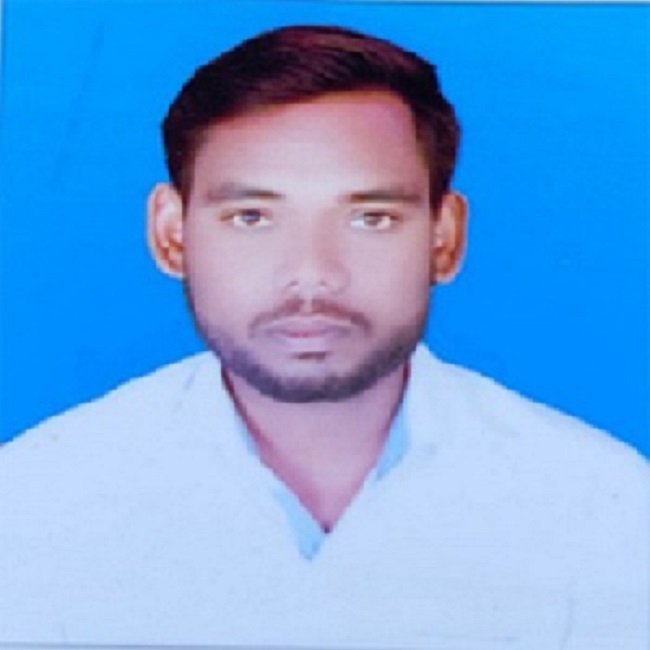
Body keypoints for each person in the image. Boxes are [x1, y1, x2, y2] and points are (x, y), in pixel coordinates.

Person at [1, 25, 647, 649]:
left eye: (371, 218)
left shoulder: (602, 507)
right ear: (171, 234)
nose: (311, 273)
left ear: (444, 239)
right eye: (251, 217)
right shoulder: (36, 501)